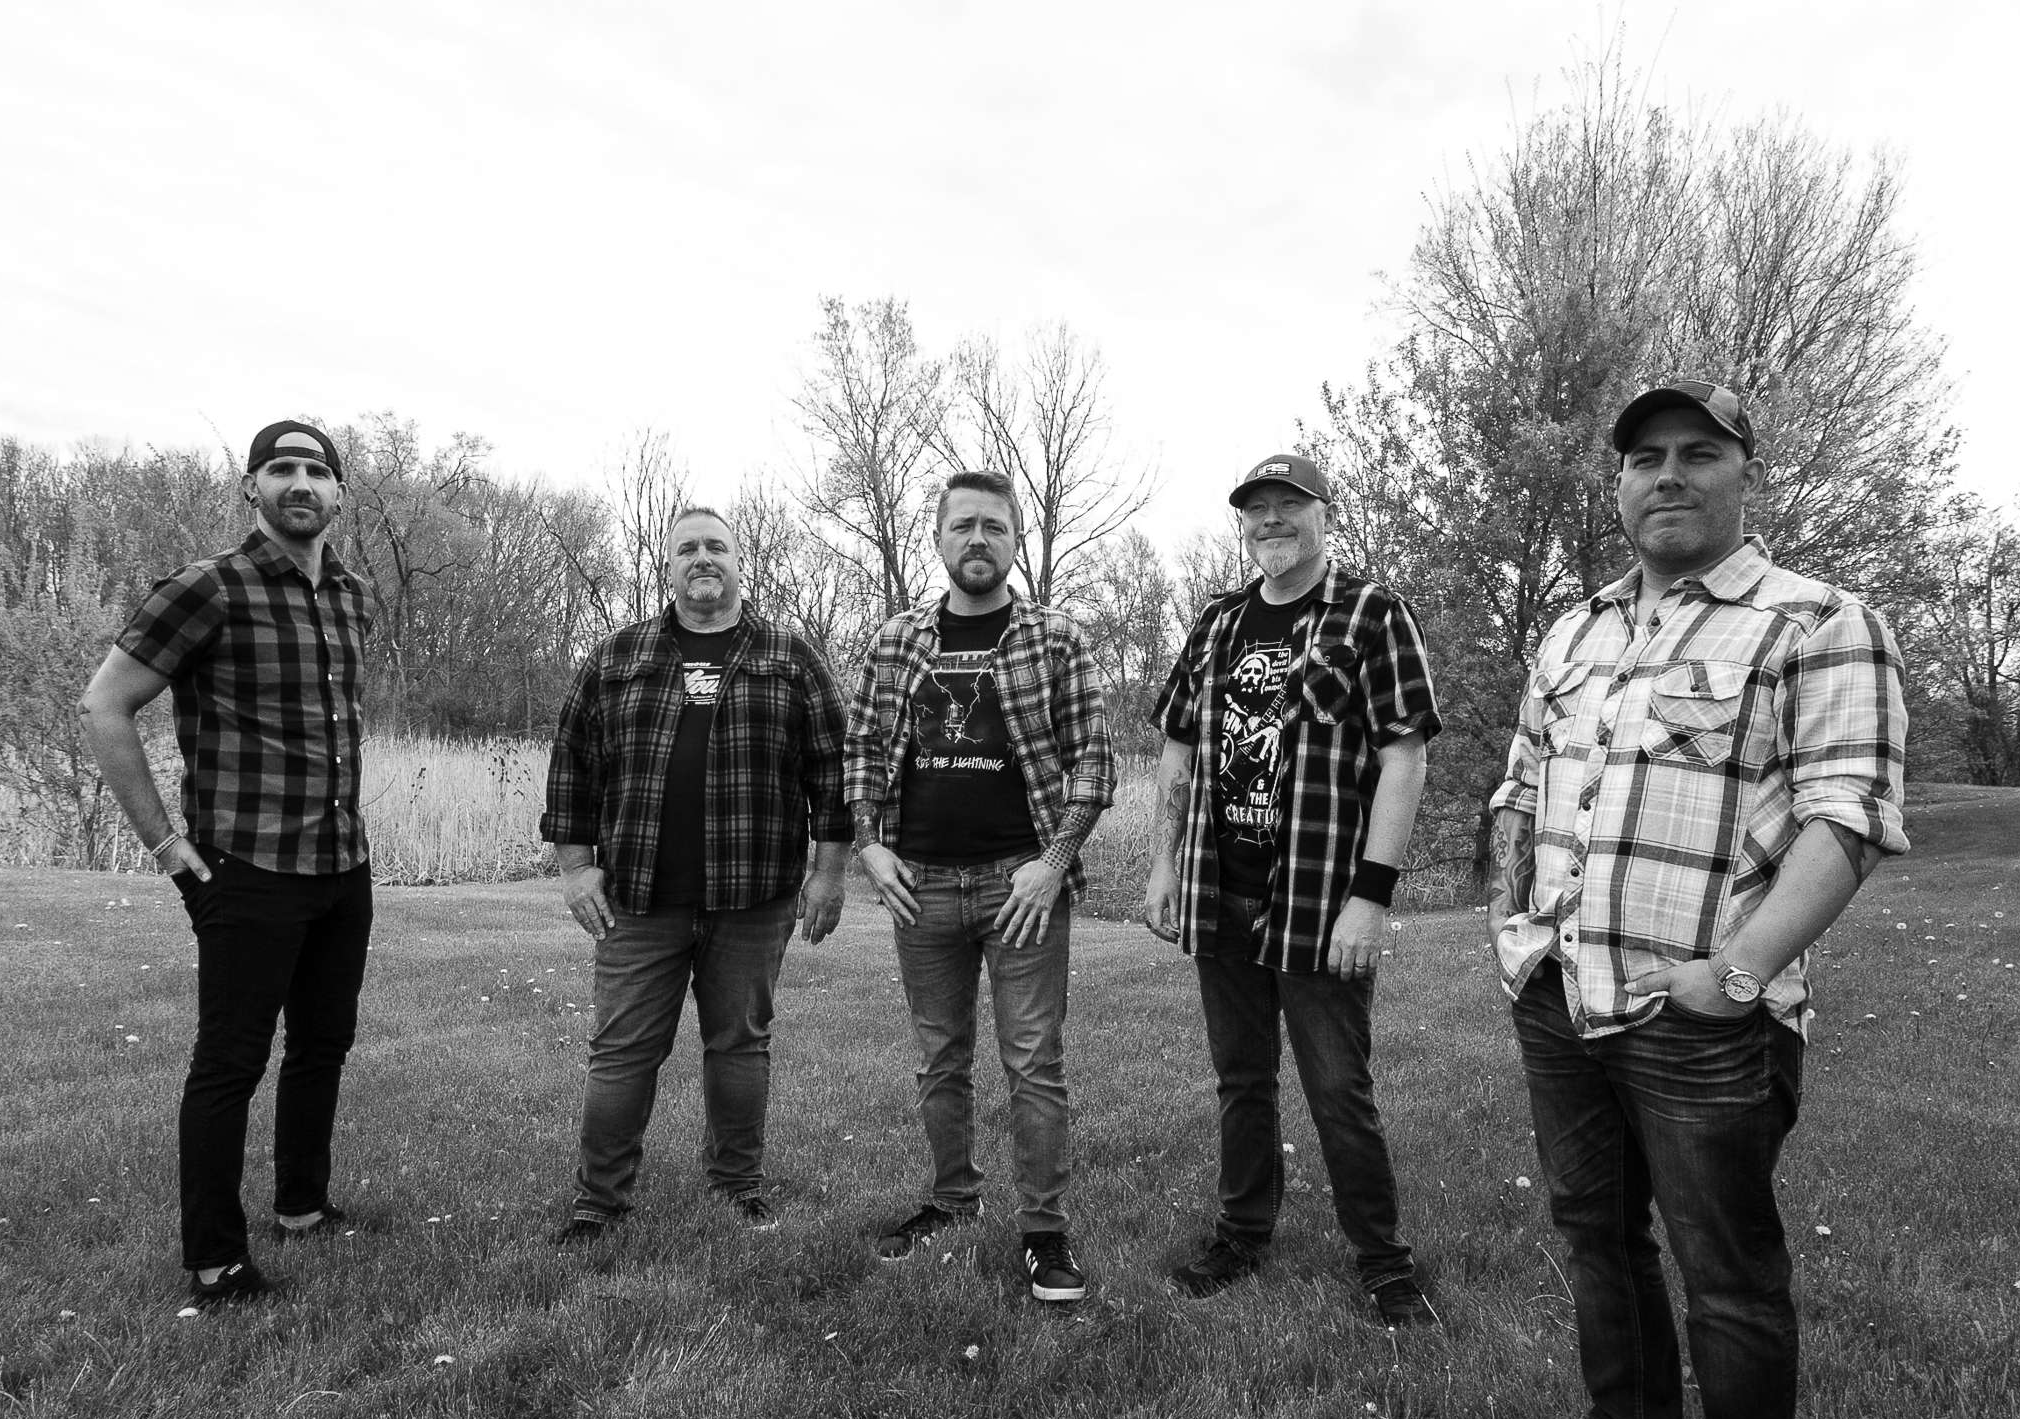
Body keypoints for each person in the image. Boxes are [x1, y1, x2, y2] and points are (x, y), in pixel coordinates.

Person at [1483, 380, 1908, 1419]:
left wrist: (1741, 972)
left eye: (1697, 454)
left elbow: (1850, 820)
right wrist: (1518, 929)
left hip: (1702, 1014)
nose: (1667, 476)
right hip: (1561, 989)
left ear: (1742, 474)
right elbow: (1521, 784)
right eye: (1643, 459)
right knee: (1595, 1234)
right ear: (1616, 485)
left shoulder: (1818, 623)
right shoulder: (1573, 634)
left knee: (1725, 1263)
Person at [1141, 452, 1441, 1328]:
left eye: (1289, 506)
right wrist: (1162, 864)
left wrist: (1371, 895)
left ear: (1322, 515)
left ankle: (1384, 1262)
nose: (1272, 521)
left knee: (1337, 1088)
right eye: (1257, 509)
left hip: (1319, 899)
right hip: (1219, 894)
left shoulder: (1371, 614)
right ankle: (1241, 1234)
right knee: (1242, 1080)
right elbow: (1179, 746)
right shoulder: (1219, 624)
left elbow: (1404, 756)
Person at [79, 419, 372, 1307]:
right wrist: (166, 843)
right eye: (281, 468)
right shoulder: (207, 587)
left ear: (337, 495)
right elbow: (105, 705)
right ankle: (215, 1260)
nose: (300, 483)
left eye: (317, 471)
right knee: (230, 1062)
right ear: (252, 487)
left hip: (340, 863)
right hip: (246, 868)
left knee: (323, 1044)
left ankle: (303, 1206)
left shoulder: (353, 595)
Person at [540, 507, 850, 1243]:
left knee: (740, 1046)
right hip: (639, 899)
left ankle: (738, 1184)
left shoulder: (791, 657)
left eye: (716, 546)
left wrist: (829, 874)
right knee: (621, 1052)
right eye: (688, 549)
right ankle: (599, 1201)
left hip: (755, 895)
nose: (702, 559)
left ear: (741, 561)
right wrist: (577, 868)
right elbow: (571, 767)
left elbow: (836, 775)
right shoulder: (618, 657)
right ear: (668, 567)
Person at [846, 469, 1114, 1303]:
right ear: (938, 540)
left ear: (1014, 540)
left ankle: (1045, 1232)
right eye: (962, 526)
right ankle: (952, 1199)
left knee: (1033, 1063)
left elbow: (1095, 765)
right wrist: (869, 846)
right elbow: (861, 752)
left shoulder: (1057, 639)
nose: (977, 541)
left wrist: (1053, 861)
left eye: (993, 527)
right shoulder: (897, 644)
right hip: (918, 885)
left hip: (1018, 886)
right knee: (939, 1059)